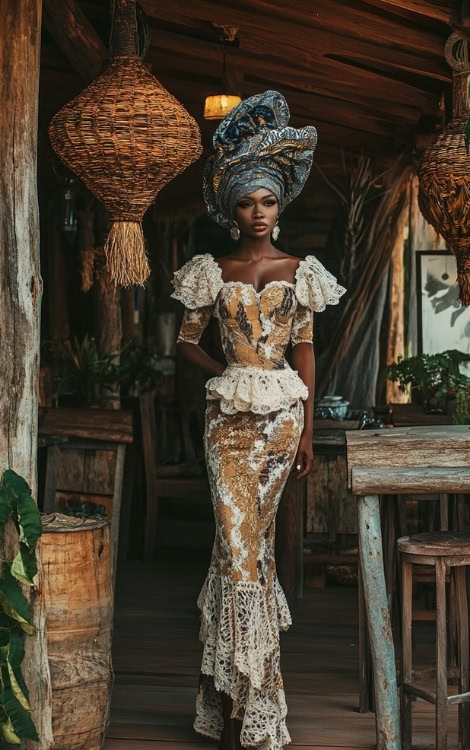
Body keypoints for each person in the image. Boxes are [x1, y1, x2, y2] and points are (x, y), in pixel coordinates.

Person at [171, 91, 347, 750]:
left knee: (250, 554)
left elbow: (303, 350)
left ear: (281, 204)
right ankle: (246, 699)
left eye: (267, 201)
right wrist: (223, 367)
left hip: (279, 427)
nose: (257, 213)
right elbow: (183, 341)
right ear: (231, 208)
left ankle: (237, 704)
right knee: (236, 550)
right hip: (226, 427)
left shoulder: (301, 272)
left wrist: (308, 430)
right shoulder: (211, 271)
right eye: (246, 202)